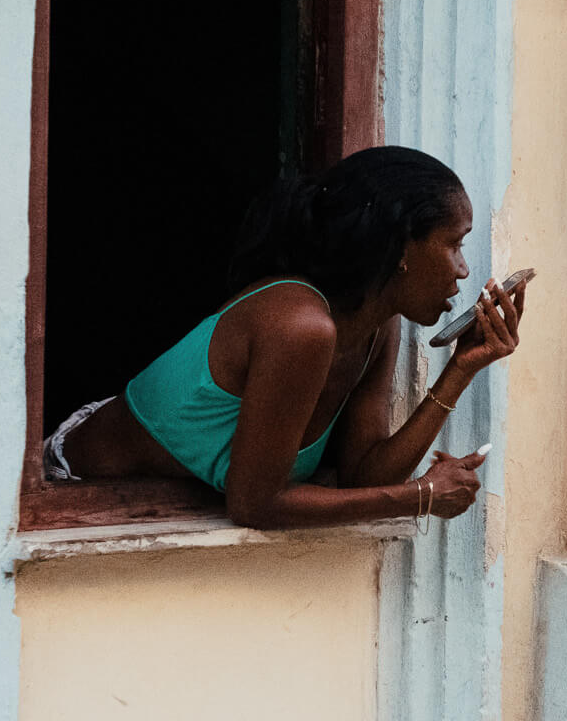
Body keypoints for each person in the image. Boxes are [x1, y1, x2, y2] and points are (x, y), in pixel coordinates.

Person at [44, 145, 526, 529]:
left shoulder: (379, 327)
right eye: (454, 244)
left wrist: (462, 366)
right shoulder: (301, 326)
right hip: (73, 483)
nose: (464, 271)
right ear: (401, 246)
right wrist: (421, 496)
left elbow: (365, 474)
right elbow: (257, 504)